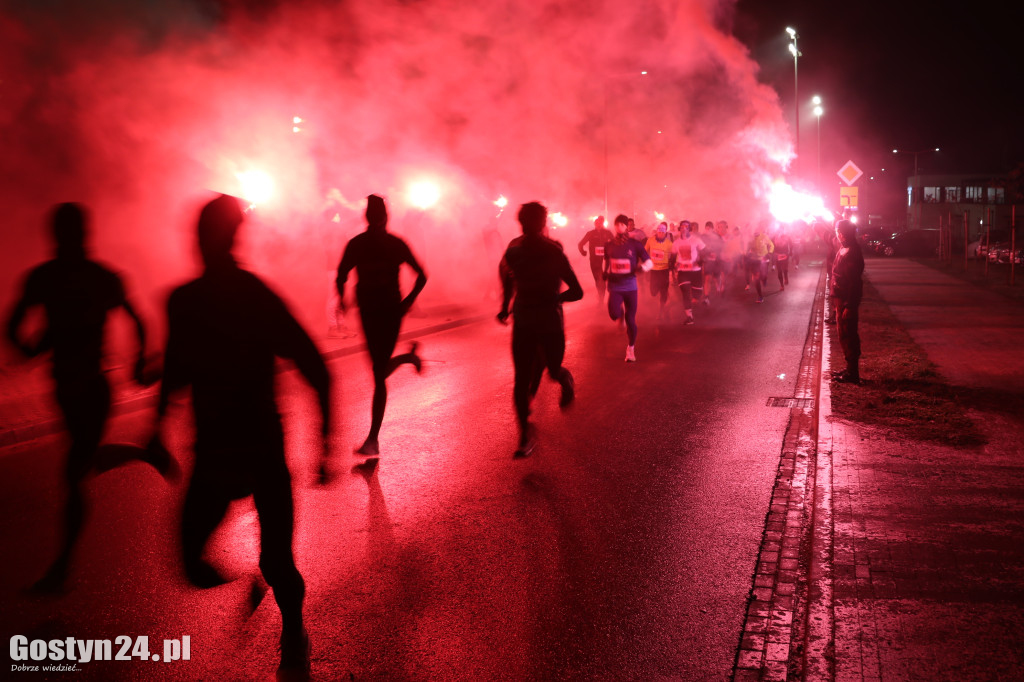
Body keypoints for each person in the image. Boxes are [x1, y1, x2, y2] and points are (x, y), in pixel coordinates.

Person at [149, 194, 331, 675]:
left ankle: (294, 633)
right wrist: (156, 426)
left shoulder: (253, 296)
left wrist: (325, 444)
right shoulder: (184, 301)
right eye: (199, 233)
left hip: (260, 450)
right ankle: (253, 581)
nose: (201, 242)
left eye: (209, 233)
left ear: (227, 237)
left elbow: (314, 364)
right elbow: (175, 369)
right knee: (191, 565)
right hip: (212, 454)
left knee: (279, 562)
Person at [6, 202, 159, 592]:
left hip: (88, 386)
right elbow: (137, 320)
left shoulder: (51, 277)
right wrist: (139, 359)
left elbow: (12, 327)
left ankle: (61, 567)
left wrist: (31, 348)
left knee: (75, 471)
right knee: (83, 463)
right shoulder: (94, 276)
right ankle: (145, 452)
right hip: (75, 386)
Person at [336, 195, 427, 456]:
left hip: (387, 312)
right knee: (378, 369)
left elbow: (341, 276)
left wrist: (405, 304)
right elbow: (341, 274)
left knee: (378, 374)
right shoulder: (381, 243)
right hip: (377, 312)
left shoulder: (367, 243)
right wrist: (407, 302)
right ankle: (408, 357)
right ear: (384, 217)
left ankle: (373, 439)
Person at [498, 202, 583, 457]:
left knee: (552, 370)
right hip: (530, 323)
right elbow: (509, 280)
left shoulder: (545, 251)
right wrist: (506, 306)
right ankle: (524, 436)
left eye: (528, 223)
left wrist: (556, 300)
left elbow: (577, 290)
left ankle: (565, 380)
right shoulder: (521, 252)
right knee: (522, 379)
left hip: (544, 322)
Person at [604, 214, 652, 361]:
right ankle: (620, 318)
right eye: (616, 224)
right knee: (613, 313)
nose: (619, 227)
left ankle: (630, 350)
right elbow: (606, 261)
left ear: (626, 226)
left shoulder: (634, 244)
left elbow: (649, 262)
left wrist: (641, 269)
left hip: (630, 286)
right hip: (615, 286)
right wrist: (604, 273)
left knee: (631, 320)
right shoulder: (609, 244)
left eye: (622, 224)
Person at [830, 220, 865, 384]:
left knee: (849, 334)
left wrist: (850, 305)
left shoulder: (852, 252)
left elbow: (855, 283)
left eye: (838, 231)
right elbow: (827, 236)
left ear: (843, 233)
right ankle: (849, 368)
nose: (836, 234)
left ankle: (853, 373)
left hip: (846, 301)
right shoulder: (844, 247)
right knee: (843, 335)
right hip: (840, 300)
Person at [670, 223, 702, 325]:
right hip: (682, 271)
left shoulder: (696, 240)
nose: (683, 230)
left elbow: (704, 252)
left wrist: (700, 261)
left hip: (695, 271)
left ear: (689, 229)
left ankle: (696, 297)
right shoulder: (676, 243)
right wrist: (672, 267)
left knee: (697, 294)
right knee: (685, 291)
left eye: (686, 228)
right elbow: (672, 257)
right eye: (682, 228)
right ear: (679, 229)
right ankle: (689, 317)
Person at [577, 215, 612, 305]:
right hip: (594, 260)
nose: (598, 224)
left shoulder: (607, 232)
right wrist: (583, 252)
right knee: (597, 279)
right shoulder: (590, 233)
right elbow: (580, 244)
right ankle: (600, 295)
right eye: (596, 223)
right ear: (594, 224)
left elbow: (614, 242)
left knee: (603, 278)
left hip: (605, 259)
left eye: (600, 223)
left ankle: (602, 296)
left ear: (602, 223)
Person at [644, 222, 674, 319]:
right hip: (654, 270)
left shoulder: (669, 244)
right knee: (653, 292)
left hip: (664, 270)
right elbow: (644, 251)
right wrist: (645, 261)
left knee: (663, 291)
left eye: (663, 232)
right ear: (656, 232)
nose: (661, 233)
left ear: (665, 233)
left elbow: (674, 254)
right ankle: (665, 299)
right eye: (659, 231)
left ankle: (661, 311)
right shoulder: (650, 240)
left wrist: (673, 263)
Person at [745, 224, 774, 303]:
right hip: (754, 260)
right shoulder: (750, 239)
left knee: (763, 275)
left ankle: (764, 279)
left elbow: (771, 245)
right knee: (756, 278)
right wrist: (748, 253)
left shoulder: (764, 237)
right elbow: (747, 249)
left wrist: (769, 254)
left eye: (757, 229)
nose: (755, 230)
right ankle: (760, 296)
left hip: (764, 259)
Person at [700, 220, 724, 303]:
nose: (708, 229)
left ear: (713, 228)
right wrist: (704, 256)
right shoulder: (703, 236)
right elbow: (700, 248)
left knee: (716, 277)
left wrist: (716, 254)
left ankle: (718, 286)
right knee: (707, 278)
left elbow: (722, 247)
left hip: (716, 260)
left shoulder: (717, 236)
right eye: (707, 228)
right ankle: (706, 297)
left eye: (709, 228)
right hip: (708, 261)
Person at [774, 226, 793, 290]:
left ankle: (786, 277)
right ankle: (781, 285)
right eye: (779, 230)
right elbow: (771, 244)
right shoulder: (775, 237)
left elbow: (791, 244)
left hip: (785, 254)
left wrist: (790, 252)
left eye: (781, 230)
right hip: (777, 255)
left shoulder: (787, 236)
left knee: (784, 269)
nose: (780, 231)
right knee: (779, 271)